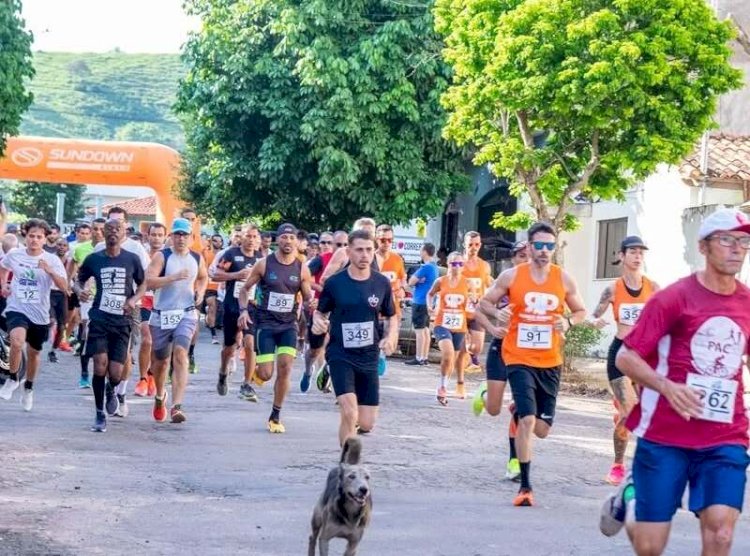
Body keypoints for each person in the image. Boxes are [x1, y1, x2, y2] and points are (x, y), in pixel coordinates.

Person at [599, 209, 750, 556]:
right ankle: (630, 499)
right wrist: (667, 387)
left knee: (722, 532)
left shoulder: (747, 303)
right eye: (726, 240)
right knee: (651, 547)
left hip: (724, 435)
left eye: (743, 242)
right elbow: (626, 357)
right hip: (665, 434)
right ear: (704, 247)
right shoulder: (673, 298)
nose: (737, 249)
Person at [485, 222, 586, 506]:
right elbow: (484, 303)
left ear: (554, 248)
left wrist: (566, 320)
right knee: (528, 421)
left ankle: (521, 407)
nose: (543, 251)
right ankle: (526, 487)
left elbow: (580, 311)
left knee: (541, 429)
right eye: (538, 245)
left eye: (549, 246)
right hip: (518, 357)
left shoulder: (563, 279)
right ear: (529, 247)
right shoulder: (511, 276)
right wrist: (497, 314)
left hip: (550, 361)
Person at [312, 229, 398, 445]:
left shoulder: (381, 283)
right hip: (341, 353)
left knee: (366, 423)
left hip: (368, 355)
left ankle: (351, 444)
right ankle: (346, 467)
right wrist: (318, 321)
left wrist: (391, 336)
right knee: (349, 413)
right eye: (359, 250)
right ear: (348, 251)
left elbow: (391, 315)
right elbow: (320, 311)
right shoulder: (335, 283)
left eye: (369, 250)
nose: (364, 255)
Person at [590, 236, 659, 486]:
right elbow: (593, 314)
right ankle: (618, 465)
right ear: (621, 255)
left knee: (648, 412)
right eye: (632, 251)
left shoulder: (653, 287)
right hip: (620, 352)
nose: (637, 255)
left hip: (646, 356)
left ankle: (646, 463)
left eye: (641, 251)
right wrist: (594, 320)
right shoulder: (612, 289)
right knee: (629, 413)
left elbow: (667, 315)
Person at [238, 223, 314, 433]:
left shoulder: (302, 268)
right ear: (276, 240)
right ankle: (256, 375)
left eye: (292, 238)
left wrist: (311, 303)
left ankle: (275, 415)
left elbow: (307, 296)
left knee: (286, 368)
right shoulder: (264, 264)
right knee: (266, 374)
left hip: (288, 325)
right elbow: (245, 290)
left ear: (297, 242)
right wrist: (244, 311)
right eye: (284, 238)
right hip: (266, 324)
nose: (288, 241)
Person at [75, 218, 146, 432]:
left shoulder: (132, 258)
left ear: (124, 232)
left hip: (122, 320)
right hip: (100, 318)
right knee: (99, 364)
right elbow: (78, 280)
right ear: (103, 233)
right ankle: (99, 413)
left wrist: (133, 300)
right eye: (109, 229)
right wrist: (81, 291)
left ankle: (111, 389)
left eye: (118, 229)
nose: (113, 232)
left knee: (116, 372)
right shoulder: (94, 259)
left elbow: (143, 284)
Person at [473, 240, 529, 481]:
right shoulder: (507, 280)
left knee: (520, 408)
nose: (526, 259)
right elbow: (479, 309)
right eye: (521, 256)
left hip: (526, 354)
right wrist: (494, 324)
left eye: (529, 255)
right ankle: (484, 395)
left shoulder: (542, 283)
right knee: (494, 410)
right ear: (513, 258)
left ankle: (514, 460)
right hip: (501, 348)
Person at [0, 219, 68, 410]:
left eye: (39, 237)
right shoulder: (15, 254)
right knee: (16, 341)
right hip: (17, 308)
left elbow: (64, 287)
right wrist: (4, 284)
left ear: (45, 240)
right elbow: (3, 267)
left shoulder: (52, 259)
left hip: (39, 313)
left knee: (34, 352)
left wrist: (49, 271)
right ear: (25, 236)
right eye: (31, 236)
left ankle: (28, 387)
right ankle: (13, 378)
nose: (34, 240)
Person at [146, 218, 208, 423]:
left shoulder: (197, 258)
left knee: (181, 353)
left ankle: (177, 406)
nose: (181, 238)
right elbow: (150, 281)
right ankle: (159, 394)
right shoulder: (162, 257)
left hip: (186, 313)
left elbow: (203, 277)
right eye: (177, 234)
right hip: (162, 315)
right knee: (161, 361)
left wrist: (200, 292)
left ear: (191, 238)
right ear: (171, 237)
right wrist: (172, 278)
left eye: (185, 235)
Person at [214, 223, 262, 401]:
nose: (251, 240)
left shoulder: (260, 258)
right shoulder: (231, 254)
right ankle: (223, 372)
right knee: (230, 346)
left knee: (249, 343)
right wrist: (236, 275)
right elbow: (216, 275)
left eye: (254, 236)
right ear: (242, 237)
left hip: (252, 307)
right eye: (248, 236)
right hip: (232, 305)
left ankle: (246, 384)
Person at [426, 252, 471, 405]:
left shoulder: (467, 283)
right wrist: (430, 307)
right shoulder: (441, 281)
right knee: (447, 353)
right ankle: (442, 387)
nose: (456, 267)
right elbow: (430, 294)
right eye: (453, 263)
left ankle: (443, 386)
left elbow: (474, 301)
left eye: (460, 264)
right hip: (442, 323)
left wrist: (475, 305)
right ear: (448, 264)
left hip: (459, 326)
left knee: (452, 359)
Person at [133, 223, 167, 398]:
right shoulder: (141, 254)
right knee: (146, 339)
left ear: (164, 237)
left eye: (160, 235)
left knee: (159, 344)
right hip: (144, 300)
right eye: (153, 234)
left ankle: (152, 375)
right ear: (147, 236)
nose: (156, 238)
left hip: (163, 302)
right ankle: (142, 378)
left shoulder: (169, 256)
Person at [301, 231, 336, 392]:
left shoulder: (344, 259)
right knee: (316, 348)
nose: (326, 246)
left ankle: (325, 377)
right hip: (318, 307)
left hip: (337, 308)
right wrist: (318, 289)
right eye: (323, 242)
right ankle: (309, 370)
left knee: (331, 342)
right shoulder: (319, 260)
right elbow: (303, 278)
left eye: (329, 243)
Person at [459, 231, 494, 388]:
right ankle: (460, 373)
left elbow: (487, 284)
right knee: (460, 345)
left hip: (477, 310)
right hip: (459, 309)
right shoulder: (458, 264)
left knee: (477, 346)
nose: (474, 248)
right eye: (470, 244)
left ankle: (469, 354)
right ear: (464, 245)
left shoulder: (484, 265)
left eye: (477, 244)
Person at [405, 242, 439, 366]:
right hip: (428, 302)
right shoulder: (435, 267)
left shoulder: (425, 268)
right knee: (425, 330)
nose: (420, 252)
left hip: (419, 301)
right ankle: (424, 357)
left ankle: (419, 357)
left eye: (421, 250)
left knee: (419, 330)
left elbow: (410, 282)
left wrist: (417, 280)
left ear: (424, 251)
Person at [47, 237, 70, 364]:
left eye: (64, 245)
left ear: (67, 248)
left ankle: (53, 350)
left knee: (62, 326)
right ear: (56, 245)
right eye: (59, 244)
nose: (61, 247)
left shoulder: (70, 260)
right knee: (51, 320)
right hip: (49, 292)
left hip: (63, 294)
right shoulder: (49, 258)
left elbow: (73, 275)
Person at [203, 234, 224, 344]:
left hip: (222, 286)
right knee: (212, 307)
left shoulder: (225, 254)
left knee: (220, 310)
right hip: (209, 285)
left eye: (219, 241)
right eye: (215, 241)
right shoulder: (206, 253)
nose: (217, 243)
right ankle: (214, 336)